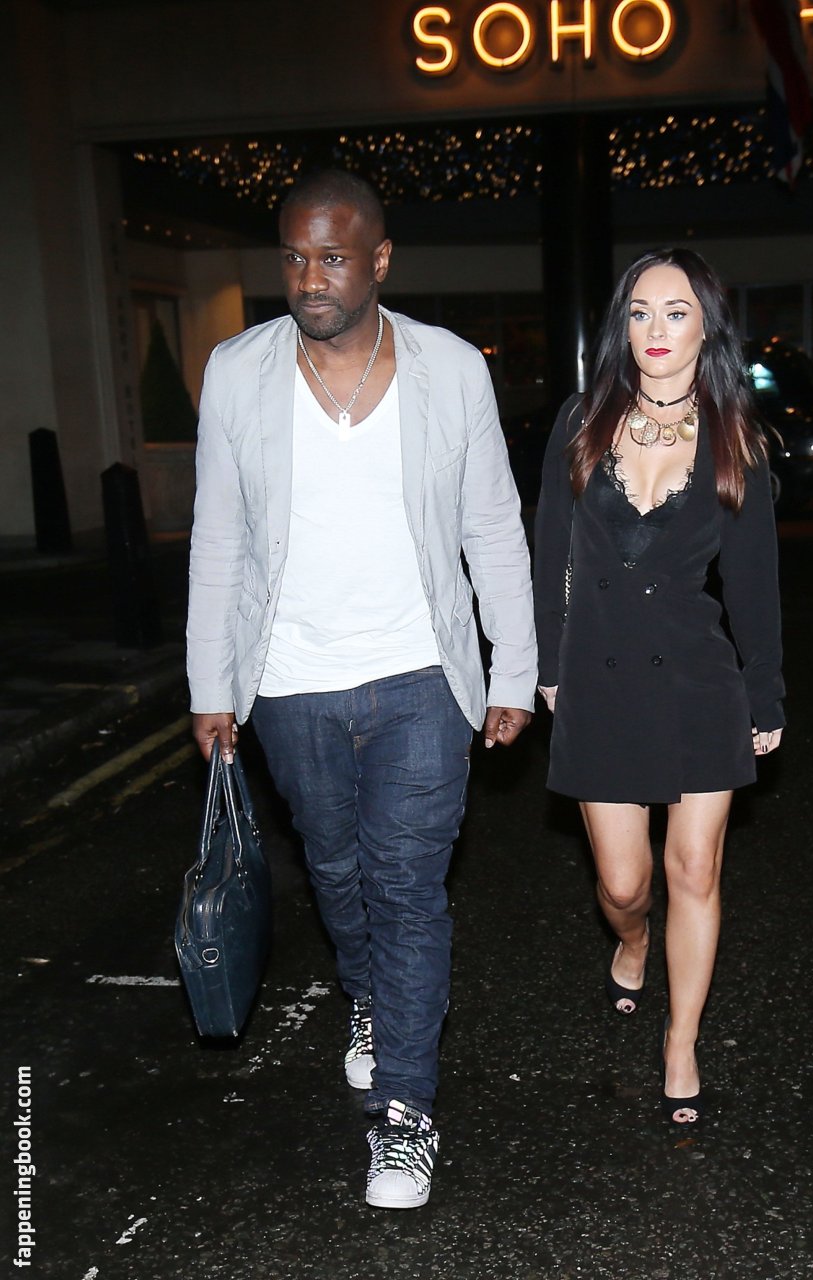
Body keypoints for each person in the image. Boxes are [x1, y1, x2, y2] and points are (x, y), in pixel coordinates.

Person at [186, 170, 537, 1209]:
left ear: (380, 260)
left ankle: (406, 1115)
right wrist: (211, 684)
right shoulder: (238, 372)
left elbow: (491, 525)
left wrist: (513, 666)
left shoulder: (449, 370)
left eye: (333, 258)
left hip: (420, 676)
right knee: (336, 874)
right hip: (289, 682)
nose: (310, 278)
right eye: (294, 258)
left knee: (407, 889)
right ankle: (371, 998)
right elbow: (218, 540)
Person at [532, 247, 784, 1126]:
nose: (656, 330)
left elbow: (753, 585)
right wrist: (548, 665)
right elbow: (549, 555)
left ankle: (682, 1041)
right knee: (624, 883)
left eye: (676, 313)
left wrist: (765, 695)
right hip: (597, 681)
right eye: (640, 312)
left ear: (706, 326)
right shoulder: (583, 419)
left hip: (697, 684)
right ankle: (633, 940)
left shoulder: (736, 438)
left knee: (695, 868)